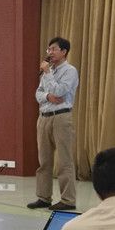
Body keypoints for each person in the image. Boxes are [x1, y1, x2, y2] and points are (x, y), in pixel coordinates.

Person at [27, 37, 79, 211]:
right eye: (48, 49)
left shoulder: (70, 71)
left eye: (53, 49)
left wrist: (48, 75)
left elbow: (60, 91)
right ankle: (44, 197)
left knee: (64, 160)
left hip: (61, 117)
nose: (50, 52)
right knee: (44, 161)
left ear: (64, 51)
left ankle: (68, 200)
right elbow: (38, 93)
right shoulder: (48, 72)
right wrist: (48, 96)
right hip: (43, 117)